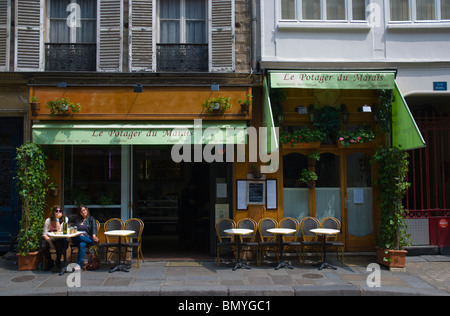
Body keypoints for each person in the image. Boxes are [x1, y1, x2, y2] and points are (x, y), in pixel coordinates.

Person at [70, 205, 99, 269]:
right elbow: (74, 229)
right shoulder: (77, 220)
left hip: (87, 237)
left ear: (87, 210)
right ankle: (91, 240)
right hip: (77, 237)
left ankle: (78, 265)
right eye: (81, 211)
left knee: (82, 244)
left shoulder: (91, 219)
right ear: (79, 213)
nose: (83, 212)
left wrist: (94, 236)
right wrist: (79, 234)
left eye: (84, 210)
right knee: (75, 237)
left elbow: (94, 228)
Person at [42, 205, 69, 271]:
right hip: (50, 239)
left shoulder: (65, 219)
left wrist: (57, 219)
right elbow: (44, 234)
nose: (58, 212)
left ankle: (58, 261)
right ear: (53, 212)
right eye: (56, 211)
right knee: (43, 245)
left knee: (60, 244)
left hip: (61, 238)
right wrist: (50, 243)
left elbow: (59, 231)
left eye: (60, 211)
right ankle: (50, 261)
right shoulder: (48, 220)